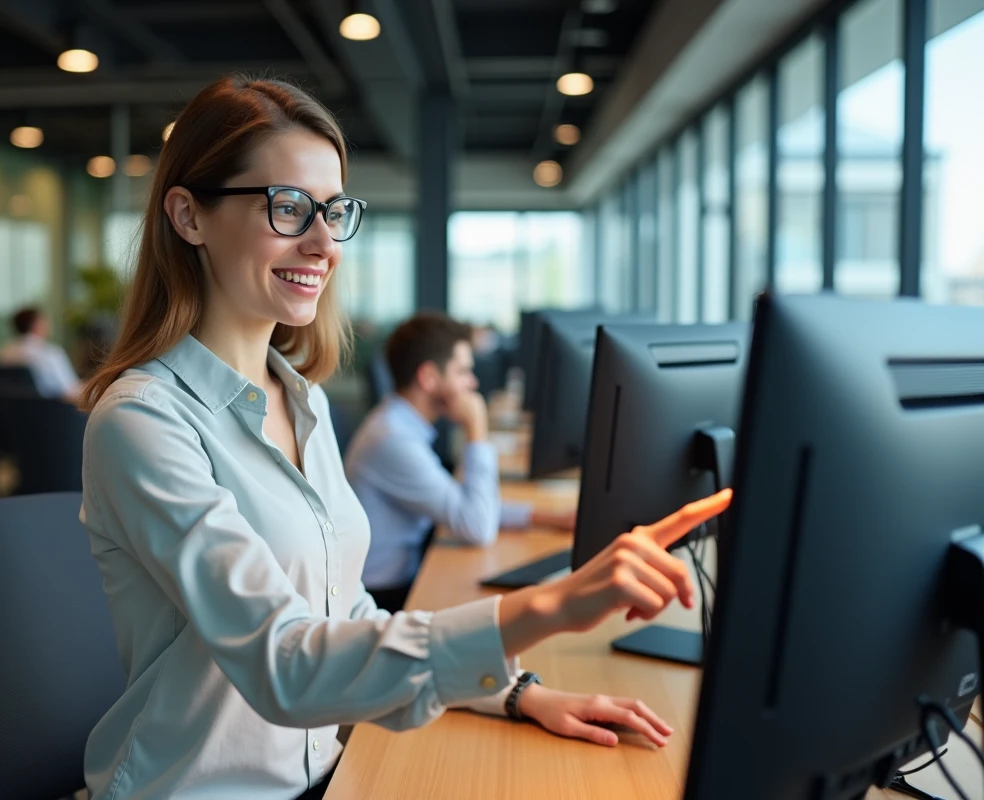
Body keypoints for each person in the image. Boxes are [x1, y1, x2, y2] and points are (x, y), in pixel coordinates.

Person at [77, 74, 731, 800]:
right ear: (188, 216)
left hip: (327, 772)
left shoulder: (304, 401)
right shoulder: (142, 422)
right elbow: (285, 664)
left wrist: (515, 692)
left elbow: (346, 615)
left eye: (333, 211)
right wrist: (549, 607)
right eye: (289, 208)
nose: (325, 242)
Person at [344, 312, 577, 612]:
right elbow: (477, 525)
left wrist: (547, 518)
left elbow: (463, 504)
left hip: (405, 576)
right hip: (385, 597)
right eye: (463, 371)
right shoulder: (393, 440)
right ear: (428, 377)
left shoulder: (400, 425)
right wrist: (476, 430)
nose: (473, 382)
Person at [0, 306, 82, 401]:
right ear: (36, 325)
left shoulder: (4, 352)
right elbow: (70, 390)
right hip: (56, 411)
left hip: (15, 413)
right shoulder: (50, 353)